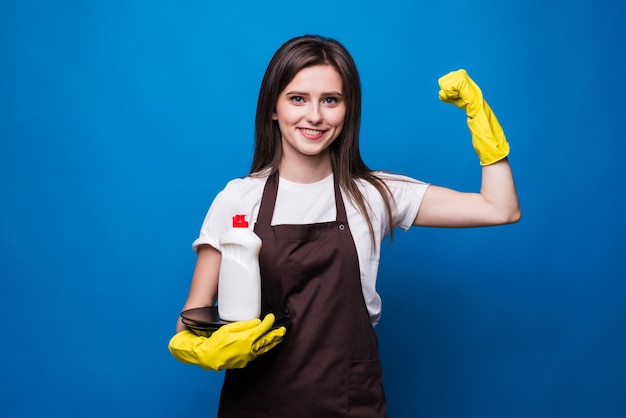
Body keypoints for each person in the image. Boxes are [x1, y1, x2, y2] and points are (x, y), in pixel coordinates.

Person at [168, 34, 520, 417]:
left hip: (350, 403)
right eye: (297, 98)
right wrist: (202, 349)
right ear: (273, 107)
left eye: (330, 100)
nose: (314, 116)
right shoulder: (238, 199)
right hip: (256, 402)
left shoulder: (375, 194)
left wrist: (481, 121)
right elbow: (191, 319)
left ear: (348, 110)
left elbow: (500, 209)